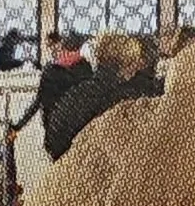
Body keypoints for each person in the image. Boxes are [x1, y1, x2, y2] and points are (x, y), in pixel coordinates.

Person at [42, 29, 159, 162]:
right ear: (127, 64)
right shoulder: (121, 98)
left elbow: (52, 141)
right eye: (133, 64)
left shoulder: (76, 91)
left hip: (62, 168)